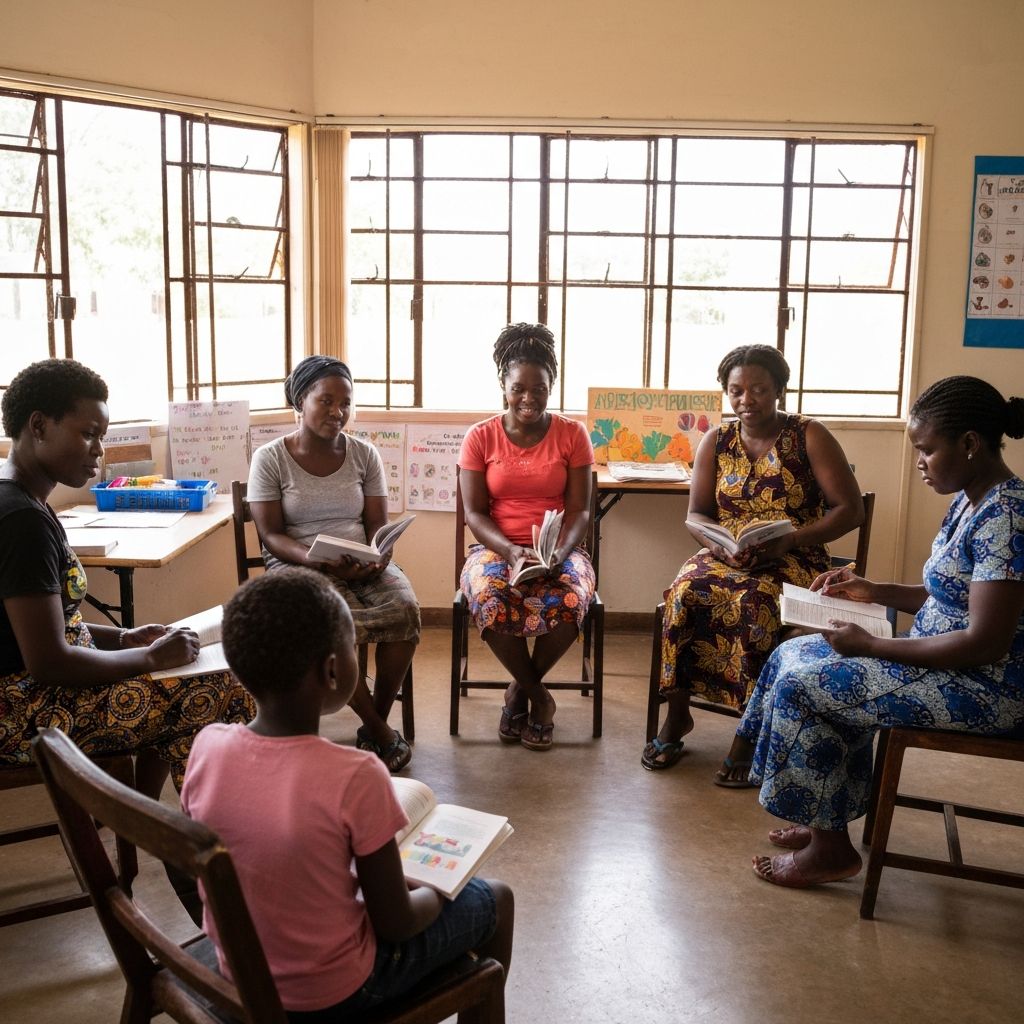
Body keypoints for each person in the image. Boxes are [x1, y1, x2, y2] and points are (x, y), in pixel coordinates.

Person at [181, 567, 514, 1020]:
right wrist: (441, 887)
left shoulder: (208, 748)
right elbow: (396, 924)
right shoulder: (356, 774)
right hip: (334, 993)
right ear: (334, 670)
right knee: (494, 897)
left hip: (239, 972)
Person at [740, 376, 1024, 889]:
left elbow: (986, 641)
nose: (919, 461)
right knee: (793, 656)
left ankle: (830, 851)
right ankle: (823, 811)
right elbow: (949, 593)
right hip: (947, 661)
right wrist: (874, 591)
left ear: (969, 444)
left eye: (926, 450)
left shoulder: (1009, 517)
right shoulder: (973, 498)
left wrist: (874, 646)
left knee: (804, 688)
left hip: (988, 688)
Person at [0, 359, 254, 802]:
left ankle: (145, 815)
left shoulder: (21, 499)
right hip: (26, 713)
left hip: (31, 693)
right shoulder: (22, 520)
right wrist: (149, 660)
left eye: (102, 435)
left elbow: (55, 626)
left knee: (189, 683)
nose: (99, 449)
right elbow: (48, 662)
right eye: (88, 433)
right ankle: (198, 844)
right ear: (38, 426)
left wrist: (126, 637)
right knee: (223, 686)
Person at [642, 344, 864, 777]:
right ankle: (677, 713)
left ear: (779, 388)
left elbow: (850, 510)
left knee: (757, 603)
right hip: (727, 552)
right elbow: (696, 514)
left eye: (759, 389)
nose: (747, 401)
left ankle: (749, 732)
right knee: (685, 593)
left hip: (794, 554)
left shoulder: (809, 436)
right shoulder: (717, 439)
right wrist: (720, 545)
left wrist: (791, 539)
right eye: (736, 391)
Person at [247, 355, 419, 773]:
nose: (337, 412)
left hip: (360, 561)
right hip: (299, 564)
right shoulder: (270, 458)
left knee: (406, 612)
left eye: (345, 403)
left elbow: (377, 524)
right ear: (300, 401)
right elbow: (271, 534)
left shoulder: (364, 454)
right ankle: (379, 730)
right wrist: (315, 560)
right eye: (326, 401)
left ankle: (372, 720)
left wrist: (380, 553)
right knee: (331, 628)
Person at [458, 323, 595, 752]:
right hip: (496, 548)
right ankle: (539, 696)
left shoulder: (572, 435)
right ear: (503, 385)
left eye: (540, 389)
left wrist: (559, 551)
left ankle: (518, 691)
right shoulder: (480, 437)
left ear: (552, 386)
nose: (529, 399)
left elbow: (580, 510)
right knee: (489, 599)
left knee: (573, 599)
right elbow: (475, 513)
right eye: (519, 388)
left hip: (558, 549)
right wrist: (510, 551)